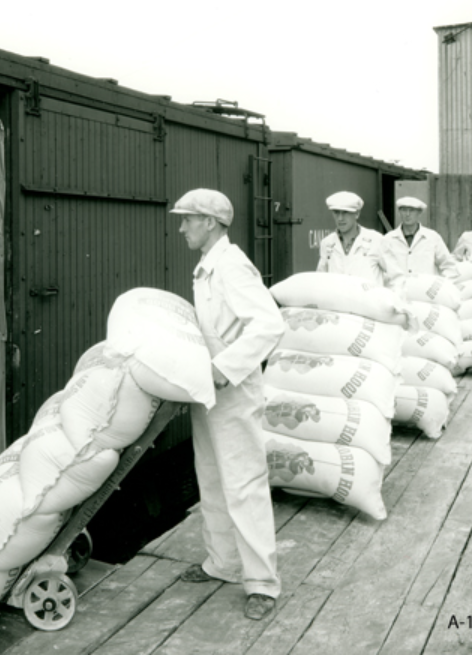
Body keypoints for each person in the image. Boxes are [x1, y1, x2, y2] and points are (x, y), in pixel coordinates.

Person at [170, 188, 283, 621]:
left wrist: (223, 367)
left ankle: (262, 583)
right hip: (210, 391)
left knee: (244, 483)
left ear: (211, 223)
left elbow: (270, 325)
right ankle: (223, 563)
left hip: (233, 391)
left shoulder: (232, 266)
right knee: (213, 478)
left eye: (187, 220)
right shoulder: (207, 267)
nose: (181, 228)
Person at [316, 191, 388, 287]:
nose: (340, 218)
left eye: (345, 212)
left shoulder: (376, 240)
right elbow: (321, 278)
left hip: (367, 301)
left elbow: (395, 277)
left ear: (357, 214)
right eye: (336, 212)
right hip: (338, 301)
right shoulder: (327, 243)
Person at [381, 197, 458, 280]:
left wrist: (441, 286)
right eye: (404, 210)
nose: (407, 214)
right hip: (398, 290)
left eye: (412, 210)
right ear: (399, 212)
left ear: (419, 213)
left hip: (424, 289)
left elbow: (449, 266)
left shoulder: (432, 237)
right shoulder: (388, 239)